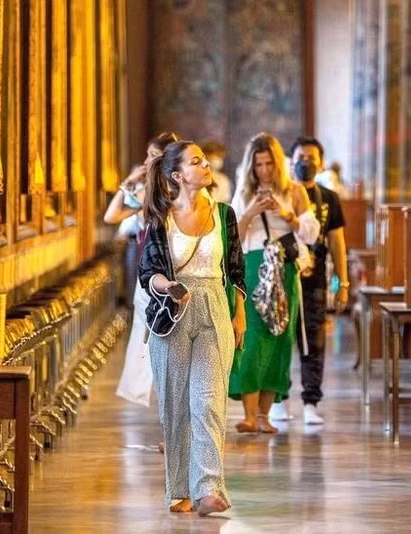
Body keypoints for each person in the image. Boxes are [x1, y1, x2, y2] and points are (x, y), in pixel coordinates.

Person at [139, 140, 246, 515]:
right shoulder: (160, 218)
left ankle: (209, 489)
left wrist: (239, 315)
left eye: (204, 160)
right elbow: (148, 273)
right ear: (177, 175)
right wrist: (169, 286)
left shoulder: (224, 214)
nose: (205, 166)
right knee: (176, 405)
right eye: (196, 162)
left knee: (209, 401)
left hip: (214, 307)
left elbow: (236, 270)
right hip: (175, 311)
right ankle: (180, 489)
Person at [228, 133, 320, 433]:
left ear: (278, 163)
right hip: (253, 267)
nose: (264, 170)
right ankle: (249, 415)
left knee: (280, 339)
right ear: (251, 166)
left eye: (269, 164)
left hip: (284, 270)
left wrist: (287, 215)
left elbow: (311, 234)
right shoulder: (244, 193)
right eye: (258, 165)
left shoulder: (294, 190)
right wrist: (250, 212)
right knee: (252, 339)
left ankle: (264, 416)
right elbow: (232, 238)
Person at [270, 135, 348, 425]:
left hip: (315, 277)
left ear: (321, 163)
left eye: (311, 159)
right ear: (290, 162)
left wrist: (343, 283)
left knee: (314, 340)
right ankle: (278, 398)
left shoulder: (329, 198)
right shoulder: (280, 194)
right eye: (300, 158)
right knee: (279, 337)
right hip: (282, 275)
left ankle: (311, 402)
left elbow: (337, 241)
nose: (306, 163)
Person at [109, 133, 178, 419]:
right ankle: (162, 403)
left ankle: (171, 405)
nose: (147, 160)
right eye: (148, 154)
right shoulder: (145, 192)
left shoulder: (177, 193)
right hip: (149, 273)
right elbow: (112, 216)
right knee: (148, 335)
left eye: (153, 156)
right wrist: (129, 181)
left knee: (171, 341)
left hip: (175, 270)